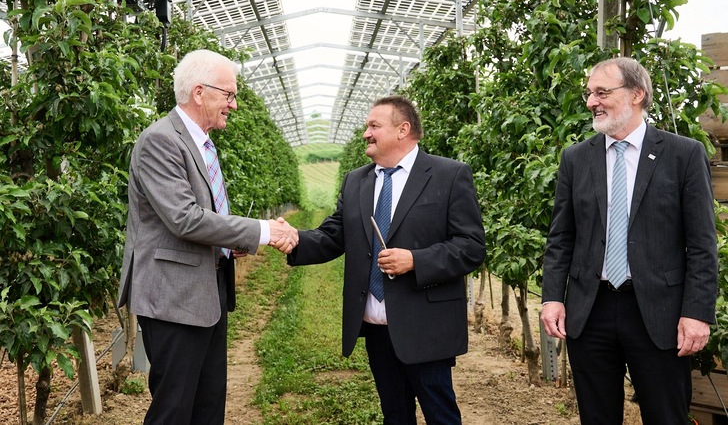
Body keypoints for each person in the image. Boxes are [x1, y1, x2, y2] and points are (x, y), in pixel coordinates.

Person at [117, 49, 298, 425]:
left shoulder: (200, 142)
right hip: (173, 296)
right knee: (174, 408)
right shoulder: (160, 141)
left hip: (206, 291)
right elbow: (184, 218)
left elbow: (203, 216)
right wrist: (262, 231)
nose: (233, 104)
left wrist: (228, 241)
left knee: (207, 403)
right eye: (228, 95)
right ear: (200, 92)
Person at [541, 56, 718, 424]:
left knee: (666, 415)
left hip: (660, 313)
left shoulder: (682, 154)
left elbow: (702, 244)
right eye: (590, 93)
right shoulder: (576, 158)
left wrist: (697, 313)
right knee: (597, 416)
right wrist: (553, 298)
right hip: (591, 311)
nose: (592, 101)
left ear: (637, 94)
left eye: (602, 92)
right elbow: (561, 237)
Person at [287, 95, 486, 425]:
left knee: (441, 414)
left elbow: (471, 246)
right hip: (376, 325)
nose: (366, 133)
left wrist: (416, 260)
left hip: (425, 324)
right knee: (395, 414)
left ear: (402, 129)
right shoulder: (357, 181)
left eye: (373, 126)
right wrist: (293, 239)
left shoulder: (448, 175)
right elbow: (334, 235)